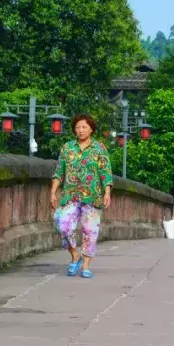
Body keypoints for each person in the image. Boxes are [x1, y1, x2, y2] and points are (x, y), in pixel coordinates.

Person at [51, 114, 112, 279]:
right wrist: (53, 192)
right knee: (63, 225)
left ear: (91, 129)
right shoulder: (67, 148)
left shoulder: (99, 148)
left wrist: (107, 192)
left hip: (92, 196)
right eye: (78, 127)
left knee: (90, 231)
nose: (81, 130)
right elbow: (59, 172)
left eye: (84, 127)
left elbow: (105, 171)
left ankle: (85, 265)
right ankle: (75, 256)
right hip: (70, 195)